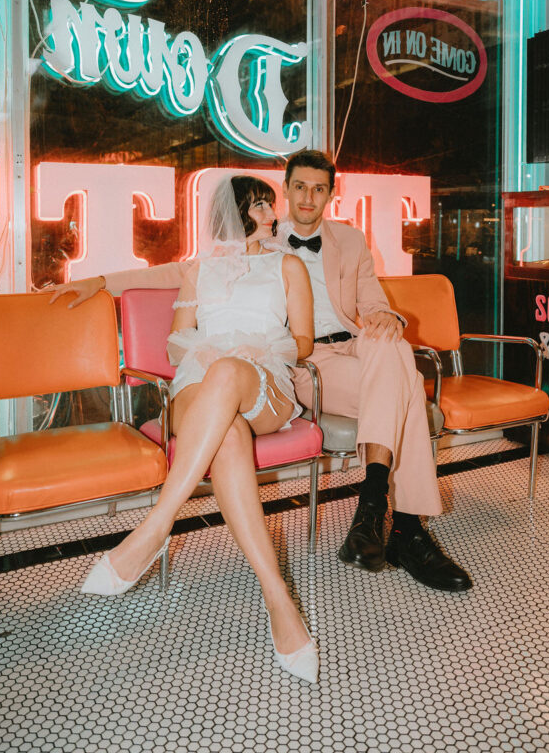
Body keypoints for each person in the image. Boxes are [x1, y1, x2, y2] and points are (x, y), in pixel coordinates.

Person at [49, 175, 319, 683]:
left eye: (270, 205)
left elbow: (303, 341)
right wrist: (207, 349)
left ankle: (156, 527)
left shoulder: (288, 265)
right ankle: (277, 598)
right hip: (202, 379)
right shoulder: (200, 269)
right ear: (236, 214)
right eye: (260, 206)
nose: (272, 214)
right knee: (227, 430)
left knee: (230, 375)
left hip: (264, 378)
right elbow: (178, 341)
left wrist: (258, 347)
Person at [282, 150, 471, 592]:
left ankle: (372, 510)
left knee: (392, 343)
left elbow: (371, 303)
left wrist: (386, 316)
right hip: (307, 363)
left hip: (354, 344)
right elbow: (188, 272)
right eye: (300, 186)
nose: (308, 197)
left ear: (331, 193)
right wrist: (112, 282)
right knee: (407, 390)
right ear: (285, 188)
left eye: (318, 188)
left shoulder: (349, 239)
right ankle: (406, 530)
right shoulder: (262, 239)